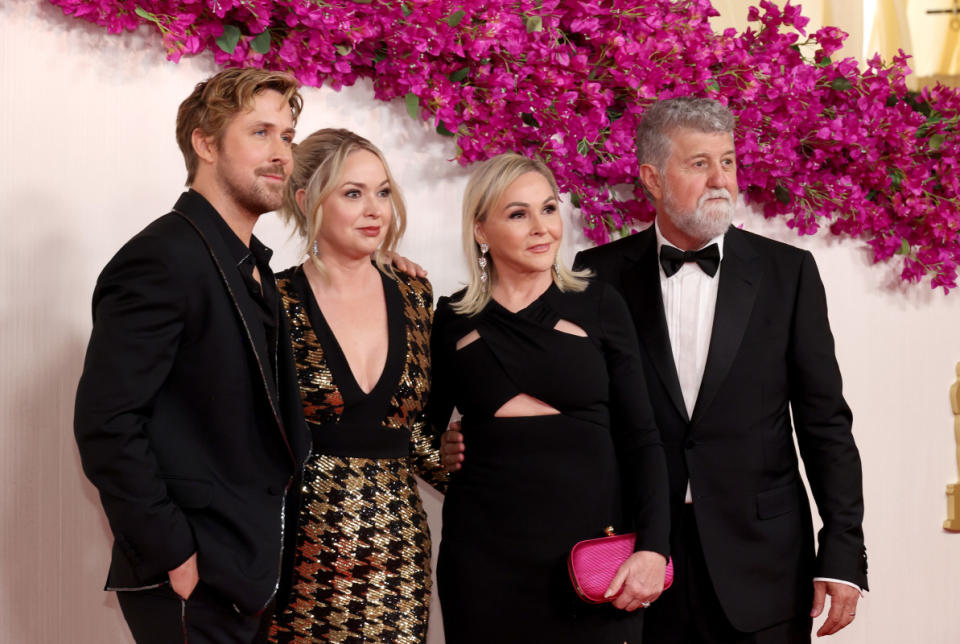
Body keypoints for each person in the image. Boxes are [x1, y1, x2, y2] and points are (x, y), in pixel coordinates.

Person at [446, 97, 868, 642]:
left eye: (729, 161)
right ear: (651, 177)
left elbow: (826, 423)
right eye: (699, 163)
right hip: (630, 558)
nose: (720, 179)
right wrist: (462, 439)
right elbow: (564, 406)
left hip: (762, 564)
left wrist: (841, 552)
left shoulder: (789, 274)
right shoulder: (593, 276)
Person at [74, 68, 311, 643]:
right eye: (260, 133)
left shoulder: (249, 261)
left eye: (287, 135)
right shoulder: (162, 257)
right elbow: (107, 425)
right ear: (206, 144)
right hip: (193, 575)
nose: (281, 152)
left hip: (247, 573)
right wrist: (174, 557)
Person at [430, 153, 670, 643]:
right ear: (481, 230)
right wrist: (440, 449)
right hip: (482, 562)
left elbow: (643, 437)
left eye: (549, 208)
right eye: (518, 214)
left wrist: (654, 547)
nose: (542, 228)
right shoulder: (452, 318)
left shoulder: (600, 303)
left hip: (592, 558)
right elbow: (418, 428)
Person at [266, 129, 447, 643]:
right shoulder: (274, 301)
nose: (375, 209)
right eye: (353, 192)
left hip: (400, 551)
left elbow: (412, 431)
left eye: (383, 191)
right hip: (304, 549)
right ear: (306, 202)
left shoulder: (414, 292)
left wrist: (493, 479)